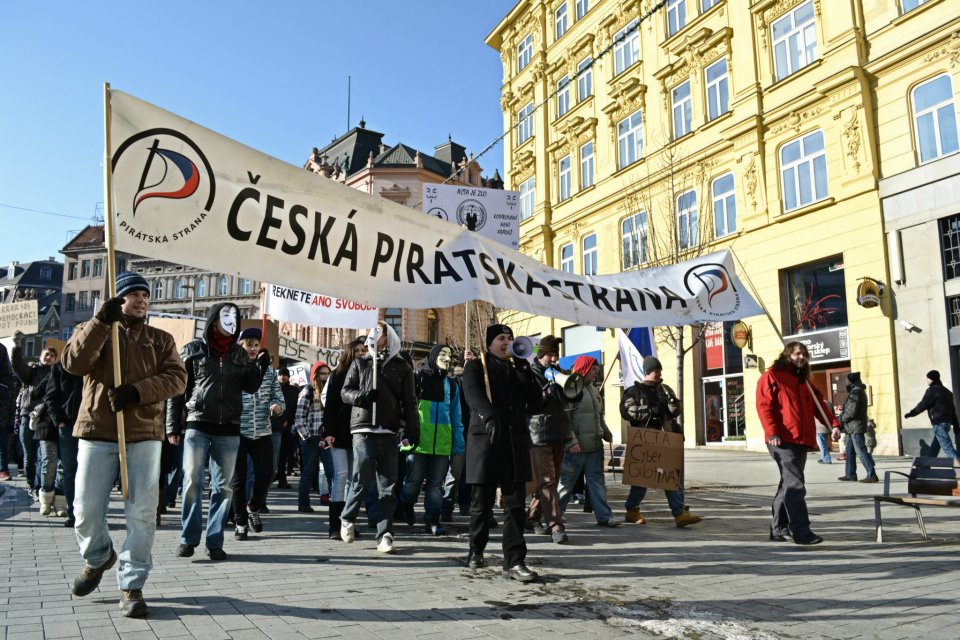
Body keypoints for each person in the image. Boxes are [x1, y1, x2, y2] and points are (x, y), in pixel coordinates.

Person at [62, 272, 187, 617]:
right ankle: (98, 555)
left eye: (146, 295)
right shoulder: (96, 330)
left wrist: (137, 393)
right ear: (118, 300)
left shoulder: (160, 339)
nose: (142, 300)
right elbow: (74, 363)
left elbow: (178, 378)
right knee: (85, 510)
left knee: (143, 513)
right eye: (134, 294)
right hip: (97, 430)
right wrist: (100, 323)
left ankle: (132, 585)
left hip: (144, 433)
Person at [166, 302, 266, 561]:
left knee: (223, 488)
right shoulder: (193, 349)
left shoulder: (239, 354)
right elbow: (177, 390)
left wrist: (259, 366)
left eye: (234, 319)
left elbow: (252, 387)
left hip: (229, 428)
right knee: (192, 482)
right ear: (213, 320)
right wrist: (172, 426)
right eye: (225, 317)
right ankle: (188, 539)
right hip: (197, 424)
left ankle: (215, 541)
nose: (230, 323)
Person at [461, 324, 542, 582]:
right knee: (481, 503)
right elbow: (473, 394)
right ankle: (476, 549)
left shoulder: (517, 368)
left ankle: (515, 560)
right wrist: (489, 415)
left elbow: (537, 401)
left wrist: (526, 371)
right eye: (501, 338)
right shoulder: (476, 366)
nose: (506, 343)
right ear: (489, 343)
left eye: (509, 338)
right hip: (487, 441)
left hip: (514, 443)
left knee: (516, 504)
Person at [340, 322, 420, 554]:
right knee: (362, 476)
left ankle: (385, 533)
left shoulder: (401, 367)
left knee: (388, 485)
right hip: (363, 428)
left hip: (389, 430)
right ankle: (348, 517)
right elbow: (345, 392)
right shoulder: (360, 362)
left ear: (389, 337)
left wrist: (413, 430)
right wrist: (362, 397)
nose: (373, 336)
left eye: (379, 332)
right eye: (371, 332)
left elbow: (410, 401)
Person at [756, 341, 841, 546]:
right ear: (787, 355)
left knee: (787, 484)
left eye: (804, 354)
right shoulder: (772, 376)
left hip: (801, 440)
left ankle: (778, 528)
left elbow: (819, 406)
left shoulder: (805, 382)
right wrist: (772, 432)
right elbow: (764, 406)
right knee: (795, 485)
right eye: (796, 354)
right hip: (782, 440)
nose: (801, 357)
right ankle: (801, 532)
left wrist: (834, 425)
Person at [620, 356, 703, 529]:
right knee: (641, 480)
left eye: (660, 371)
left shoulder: (664, 389)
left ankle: (679, 513)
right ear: (648, 372)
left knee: (671, 477)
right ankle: (632, 510)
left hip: (666, 439)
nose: (659, 374)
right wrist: (649, 410)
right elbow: (627, 411)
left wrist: (673, 404)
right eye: (657, 371)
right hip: (645, 440)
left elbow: (674, 413)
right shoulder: (634, 391)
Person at [400, 344, 462, 535]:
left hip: (442, 445)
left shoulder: (451, 385)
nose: (447, 359)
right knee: (413, 483)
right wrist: (406, 435)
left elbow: (456, 415)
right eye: (443, 354)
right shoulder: (418, 379)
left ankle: (432, 521)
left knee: (436, 485)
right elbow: (408, 409)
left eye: (450, 356)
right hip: (419, 443)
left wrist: (458, 443)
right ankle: (406, 504)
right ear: (434, 356)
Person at [557, 355, 621, 527]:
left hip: (594, 448)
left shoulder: (593, 389)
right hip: (576, 449)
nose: (596, 372)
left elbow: (598, 416)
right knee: (565, 485)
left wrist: (605, 432)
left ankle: (604, 517)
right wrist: (571, 442)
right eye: (593, 369)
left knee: (597, 484)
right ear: (584, 369)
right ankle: (555, 517)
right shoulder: (571, 388)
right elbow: (566, 418)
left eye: (597, 369)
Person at [233, 328, 284, 540]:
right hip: (238, 431)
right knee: (239, 479)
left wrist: (277, 406)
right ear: (241, 346)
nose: (252, 348)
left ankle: (253, 506)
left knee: (266, 474)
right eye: (248, 344)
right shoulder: (234, 368)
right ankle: (240, 522)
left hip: (262, 430)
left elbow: (278, 397)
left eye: (255, 344)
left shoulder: (270, 372)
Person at [526, 335, 575, 544]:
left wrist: (571, 386)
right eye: (550, 354)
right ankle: (555, 525)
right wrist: (548, 390)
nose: (554, 358)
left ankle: (530, 517)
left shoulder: (560, 373)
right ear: (541, 355)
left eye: (556, 354)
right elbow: (530, 404)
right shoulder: (531, 374)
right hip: (539, 435)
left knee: (548, 483)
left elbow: (574, 397)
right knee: (547, 481)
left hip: (559, 433)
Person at [321, 340, 364, 536]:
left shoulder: (368, 374)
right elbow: (329, 405)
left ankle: (348, 523)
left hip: (359, 431)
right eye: (357, 351)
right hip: (338, 432)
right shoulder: (337, 375)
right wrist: (328, 431)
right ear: (349, 353)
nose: (361, 353)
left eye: (364, 350)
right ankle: (333, 525)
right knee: (341, 475)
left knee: (355, 478)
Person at [11, 338, 57, 495]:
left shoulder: (56, 374)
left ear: (55, 359)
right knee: (29, 456)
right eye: (46, 354)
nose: (48, 357)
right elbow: (17, 366)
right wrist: (17, 346)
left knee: (44, 457)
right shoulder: (32, 372)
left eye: (52, 355)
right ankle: (32, 486)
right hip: (28, 416)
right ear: (40, 356)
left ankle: (41, 487)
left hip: (46, 420)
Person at [44, 359, 83, 526]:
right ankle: (74, 514)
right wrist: (59, 421)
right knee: (70, 471)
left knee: (94, 472)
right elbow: (50, 396)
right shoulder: (60, 366)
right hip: (68, 426)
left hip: (94, 425)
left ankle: (92, 515)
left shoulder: (98, 362)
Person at [295, 361, 331, 514]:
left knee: (332, 471)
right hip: (311, 438)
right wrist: (306, 436)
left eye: (327, 373)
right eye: (322, 373)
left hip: (326, 438)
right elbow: (299, 417)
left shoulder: (330, 391)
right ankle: (303, 503)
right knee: (309, 471)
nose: (325, 376)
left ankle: (335, 502)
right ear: (315, 375)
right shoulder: (307, 391)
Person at [904, 370, 960, 462]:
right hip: (947, 423)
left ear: (932, 379)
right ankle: (926, 466)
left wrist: (911, 413)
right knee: (934, 448)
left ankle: (958, 469)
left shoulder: (932, 390)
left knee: (948, 448)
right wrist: (956, 425)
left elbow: (923, 405)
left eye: (928, 378)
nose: (927, 380)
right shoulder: (948, 392)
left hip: (939, 423)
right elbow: (952, 410)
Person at [837, 372, 879, 483]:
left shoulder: (856, 392)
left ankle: (872, 474)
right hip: (852, 427)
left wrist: (840, 419)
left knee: (861, 451)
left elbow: (851, 411)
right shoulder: (858, 391)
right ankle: (850, 474)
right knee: (850, 452)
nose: (845, 383)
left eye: (846, 381)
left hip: (855, 427)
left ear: (851, 381)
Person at [274, 367, 301, 490]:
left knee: (285, 453)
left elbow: (295, 408)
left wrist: (290, 422)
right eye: (280, 375)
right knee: (274, 454)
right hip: (274, 426)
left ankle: (281, 478)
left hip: (289, 427)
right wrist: (281, 420)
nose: (282, 377)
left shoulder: (294, 391)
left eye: (285, 375)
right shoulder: (273, 389)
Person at [0, 341, 14, 481]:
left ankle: (3, 469)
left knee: (2, 446)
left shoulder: (1, 349)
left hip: (1, 412)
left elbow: (8, 378)